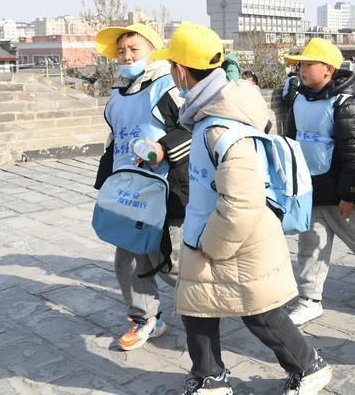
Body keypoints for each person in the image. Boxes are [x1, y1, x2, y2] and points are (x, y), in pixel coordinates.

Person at [150, 23, 332, 395]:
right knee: (197, 307)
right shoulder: (210, 112)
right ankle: (210, 377)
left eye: (171, 67)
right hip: (214, 234)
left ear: (180, 71)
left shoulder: (219, 126)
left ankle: (310, 367)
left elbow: (242, 201)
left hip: (234, 239)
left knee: (260, 314)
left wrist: (212, 245)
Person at [283, 39, 355, 327]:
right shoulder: (298, 100)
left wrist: (350, 195)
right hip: (310, 189)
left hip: (340, 192)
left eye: (309, 64)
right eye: (301, 64)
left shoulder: (346, 104)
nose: (302, 69)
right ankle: (309, 299)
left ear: (328, 69)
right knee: (310, 244)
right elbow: (291, 142)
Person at [93, 23, 189, 352]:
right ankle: (146, 317)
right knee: (127, 259)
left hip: (164, 188)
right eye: (121, 51)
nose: (127, 56)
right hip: (127, 188)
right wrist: (106, 182)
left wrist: (163, 149)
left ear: (153, 51)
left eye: (134, 49)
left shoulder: (168, 86)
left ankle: (209, 300)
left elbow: (192, 128)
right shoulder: (117, 93)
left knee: (170, 262)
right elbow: (115, 138)